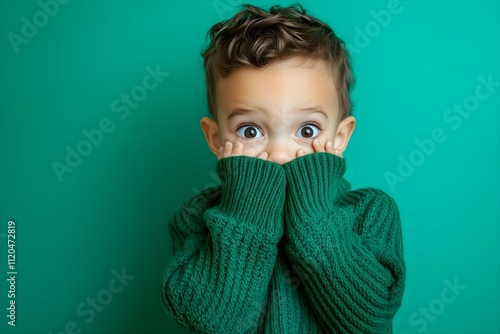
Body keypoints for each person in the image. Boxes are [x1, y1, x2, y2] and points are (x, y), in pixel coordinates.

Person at [160, 3, 406, 333]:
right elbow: (214, 323)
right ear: (217, 139)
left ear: (341, 136)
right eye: (250, 131)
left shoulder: (371, 212)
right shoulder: (196, 218)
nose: (279, 153)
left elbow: (368, 321)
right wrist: (246, 211)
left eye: (307, 131)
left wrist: (314, 216)